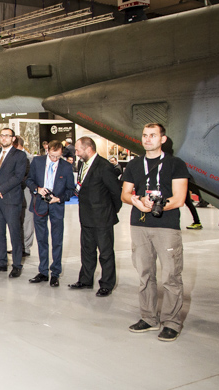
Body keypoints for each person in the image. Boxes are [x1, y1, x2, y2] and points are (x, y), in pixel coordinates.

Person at [121, 123, 191, 342]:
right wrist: (136, 201)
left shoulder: (175, 164)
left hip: (166, 226)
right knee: (145, 274)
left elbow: (179, 198)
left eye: (153, 135)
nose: (147, 139)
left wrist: (155, 206)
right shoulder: (134, 164)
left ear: (163, 139)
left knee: (171, 275)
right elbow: (125, 194)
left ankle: (171, 322)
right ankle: (149, 317)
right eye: (145, 135)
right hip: (139, 225)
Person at [69, 136, 123, 296]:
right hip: (86, 216)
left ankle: (107, 284)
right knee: (87, 251)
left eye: (78, 150)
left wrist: (111, 211)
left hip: (102, 218)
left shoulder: (104, 166)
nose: (76, 153)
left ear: (88, 148)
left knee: (105, 253)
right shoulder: (82, 164)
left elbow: (116, 192)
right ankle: (85, 280)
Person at [25, 141, 74, 287]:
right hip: (39, 205)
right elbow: (29, 180)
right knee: (41, 239)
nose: (54, 159)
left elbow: (70, 190)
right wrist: (37, 189)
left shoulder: (66, 166)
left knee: (57, 240)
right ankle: (43, 271)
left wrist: (58, 198)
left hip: (56, 206)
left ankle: (55, 273)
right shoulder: (37, 162)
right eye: (52, 156)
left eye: (58, 157)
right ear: (47, 151)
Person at [0, 129, 30, 277]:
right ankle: (1, 262)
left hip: (11, 200)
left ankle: (17, 265)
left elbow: (18, 177)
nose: (4, 138)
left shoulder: (20, 155)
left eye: (7, 136)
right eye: (2, 135)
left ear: (13, 138)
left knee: (14, 233)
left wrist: (0, 190)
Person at [14, 136, 34, 258]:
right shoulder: (14, 157)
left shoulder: (29, 158)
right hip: (15, 193)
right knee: (17, 219)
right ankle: (18, 246)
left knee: (27, 219)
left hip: (26, 191)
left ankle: (26, 247)